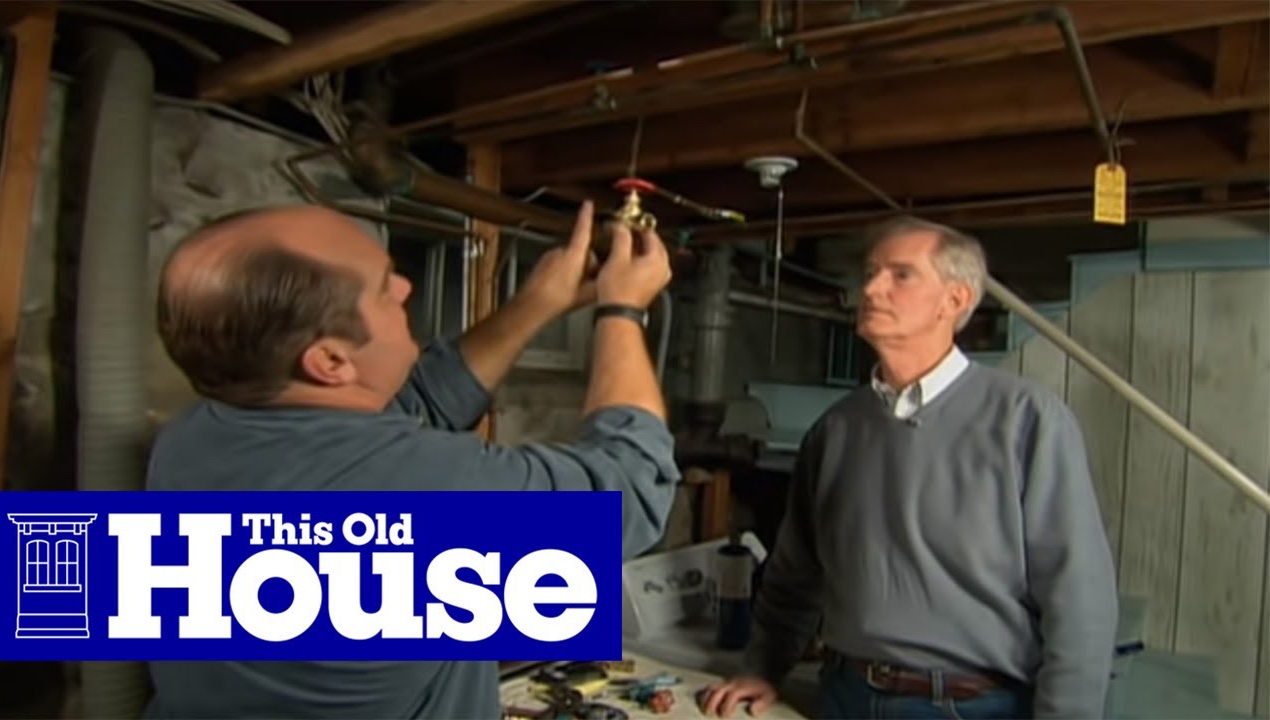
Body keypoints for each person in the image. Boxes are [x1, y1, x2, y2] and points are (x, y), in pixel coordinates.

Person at [143, 201, 681, 719]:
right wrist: (621, 310)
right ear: (330, 360)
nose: (404, 286)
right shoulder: (418, 492)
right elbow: (631, 489)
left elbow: (412, 401)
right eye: (383, 288)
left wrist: (539, 301)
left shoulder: (193, 439)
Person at [701, 217, 1119, 720]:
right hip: (845, 697)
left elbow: (1079, 600)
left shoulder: (1027, 420)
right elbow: (794, 575)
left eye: (900, 275)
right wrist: (763, 668)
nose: (871, 289)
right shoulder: (834, 430)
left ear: (955, 300)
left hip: (973, 707)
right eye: (870, 273)